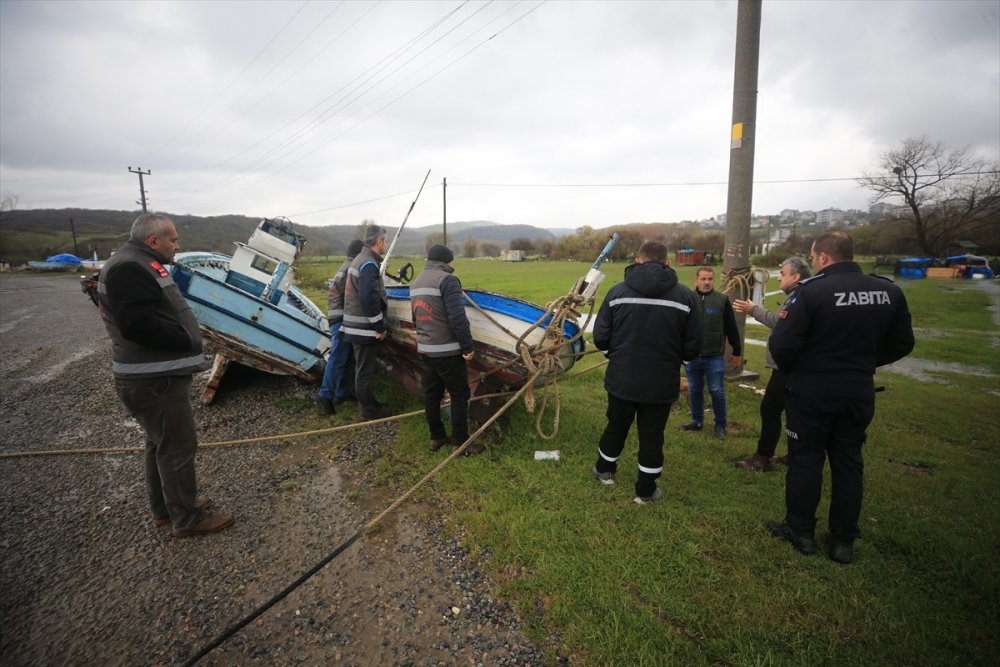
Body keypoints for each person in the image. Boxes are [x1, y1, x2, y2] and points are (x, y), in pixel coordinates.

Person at [766, 231, 914, 564]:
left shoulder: (811, 292)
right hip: (857, 389)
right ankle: (843, 540)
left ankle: (800, 531)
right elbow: (903, 342)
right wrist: (862, 363)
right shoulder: (888, 291)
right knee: (848, 462)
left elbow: (782, 344)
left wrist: (802, 370)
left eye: (814, 256)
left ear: (822, 257)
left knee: (806, 459)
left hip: (812, 390)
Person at [98, 213, 234, 538]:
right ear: (153, 241)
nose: (178, 245)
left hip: (152, 376)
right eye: (173, 240)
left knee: (159, 443)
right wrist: (185, 339)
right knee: (177, 446)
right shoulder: (130, 268)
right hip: (153, 379)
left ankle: (166, 509)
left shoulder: (137, 263)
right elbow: (137, 325)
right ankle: (187, 518)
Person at [591, 241, 702, 503]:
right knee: (652, 435)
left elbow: (600, 338)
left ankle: (605, 470)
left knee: (616, 425)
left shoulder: (616, 293)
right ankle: (646, 489)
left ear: (637, 260)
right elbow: (693, 347)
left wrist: (615, 355)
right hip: (661, 382)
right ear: (668, 263)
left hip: (622, 378)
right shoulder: (687, 297)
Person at [731, 256, 811, 471]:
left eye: (783, 275)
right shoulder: (803, 294)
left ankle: (763, 457)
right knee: (796, 412)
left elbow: (779, 322)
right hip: (798, 366)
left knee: (770, 409)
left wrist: (753, 309)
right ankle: (795, 454)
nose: (779, 279)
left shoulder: (799, 297)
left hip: (788, 367)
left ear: (795, 276)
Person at [410, 244, 482, 456]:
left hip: (426, 350)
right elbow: (457, 318)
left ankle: (437, 437)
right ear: (446, 261)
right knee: (460, 394)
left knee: (432, 393)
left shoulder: (415, 283)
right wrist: (467, 346)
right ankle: (461, 444)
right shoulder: (447, 280)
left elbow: (416, 318)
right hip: (448, 351)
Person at [680, 266, 742, 439]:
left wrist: (736, 351)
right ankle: (697, 421)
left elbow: (731, 328)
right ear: (696, 280)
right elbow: (679, 327)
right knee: (694, 389)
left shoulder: (722, 300)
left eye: (710, 279)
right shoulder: (688, 299)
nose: (707, 282)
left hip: (714, 355)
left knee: (716, 391)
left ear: (713, 281)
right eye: (703, 279)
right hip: (692, 356)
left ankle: (720, 426)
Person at [342, 225, 391, 420]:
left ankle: (370, 403)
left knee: (363, 369)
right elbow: (369, 298)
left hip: (355, 326)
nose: (386, 244)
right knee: (365, 372)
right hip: (363, 329)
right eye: (385, 241)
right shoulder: (369, 264)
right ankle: (368, 411)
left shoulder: (359, 260)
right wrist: (379, 326)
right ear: (379, 241)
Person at [315, 239, 364, 415]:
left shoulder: (345, 266)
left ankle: (341, 392)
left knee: (345, 356)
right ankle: (324, 395)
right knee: (337, 356)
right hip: (342, 317)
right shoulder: (352, 269)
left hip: (337, 315)